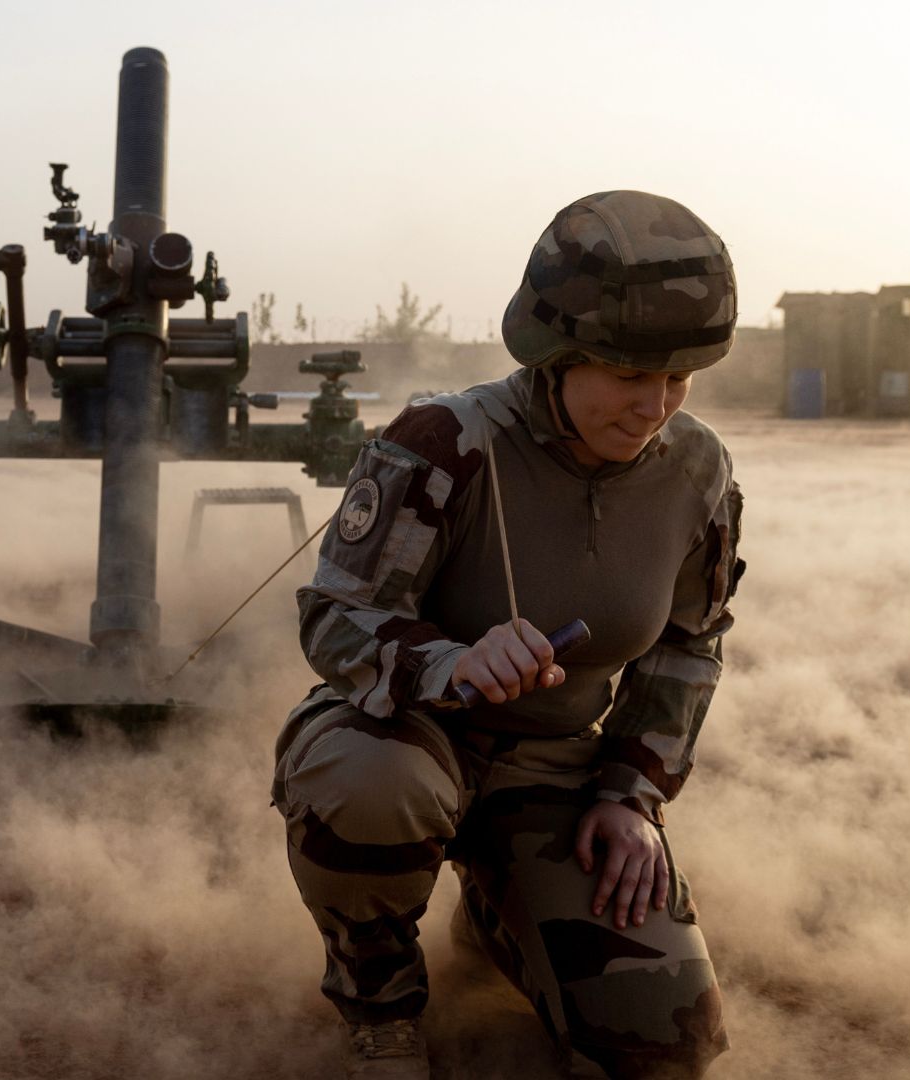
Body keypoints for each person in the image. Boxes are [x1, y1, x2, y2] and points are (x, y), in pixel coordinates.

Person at [274, 190, 745, 1078]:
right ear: (556, 354)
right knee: (369, 788)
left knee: (660, 1042)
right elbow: (337, 619)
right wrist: (450, 661)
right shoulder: (448, 442)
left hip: (556, 769)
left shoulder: (699, 470)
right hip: (407, 737)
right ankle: (380, 1000)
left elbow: (689, 643)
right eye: (627, 372)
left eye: (677, 378)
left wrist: (630, 792)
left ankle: (499, 911)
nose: (655, 406)